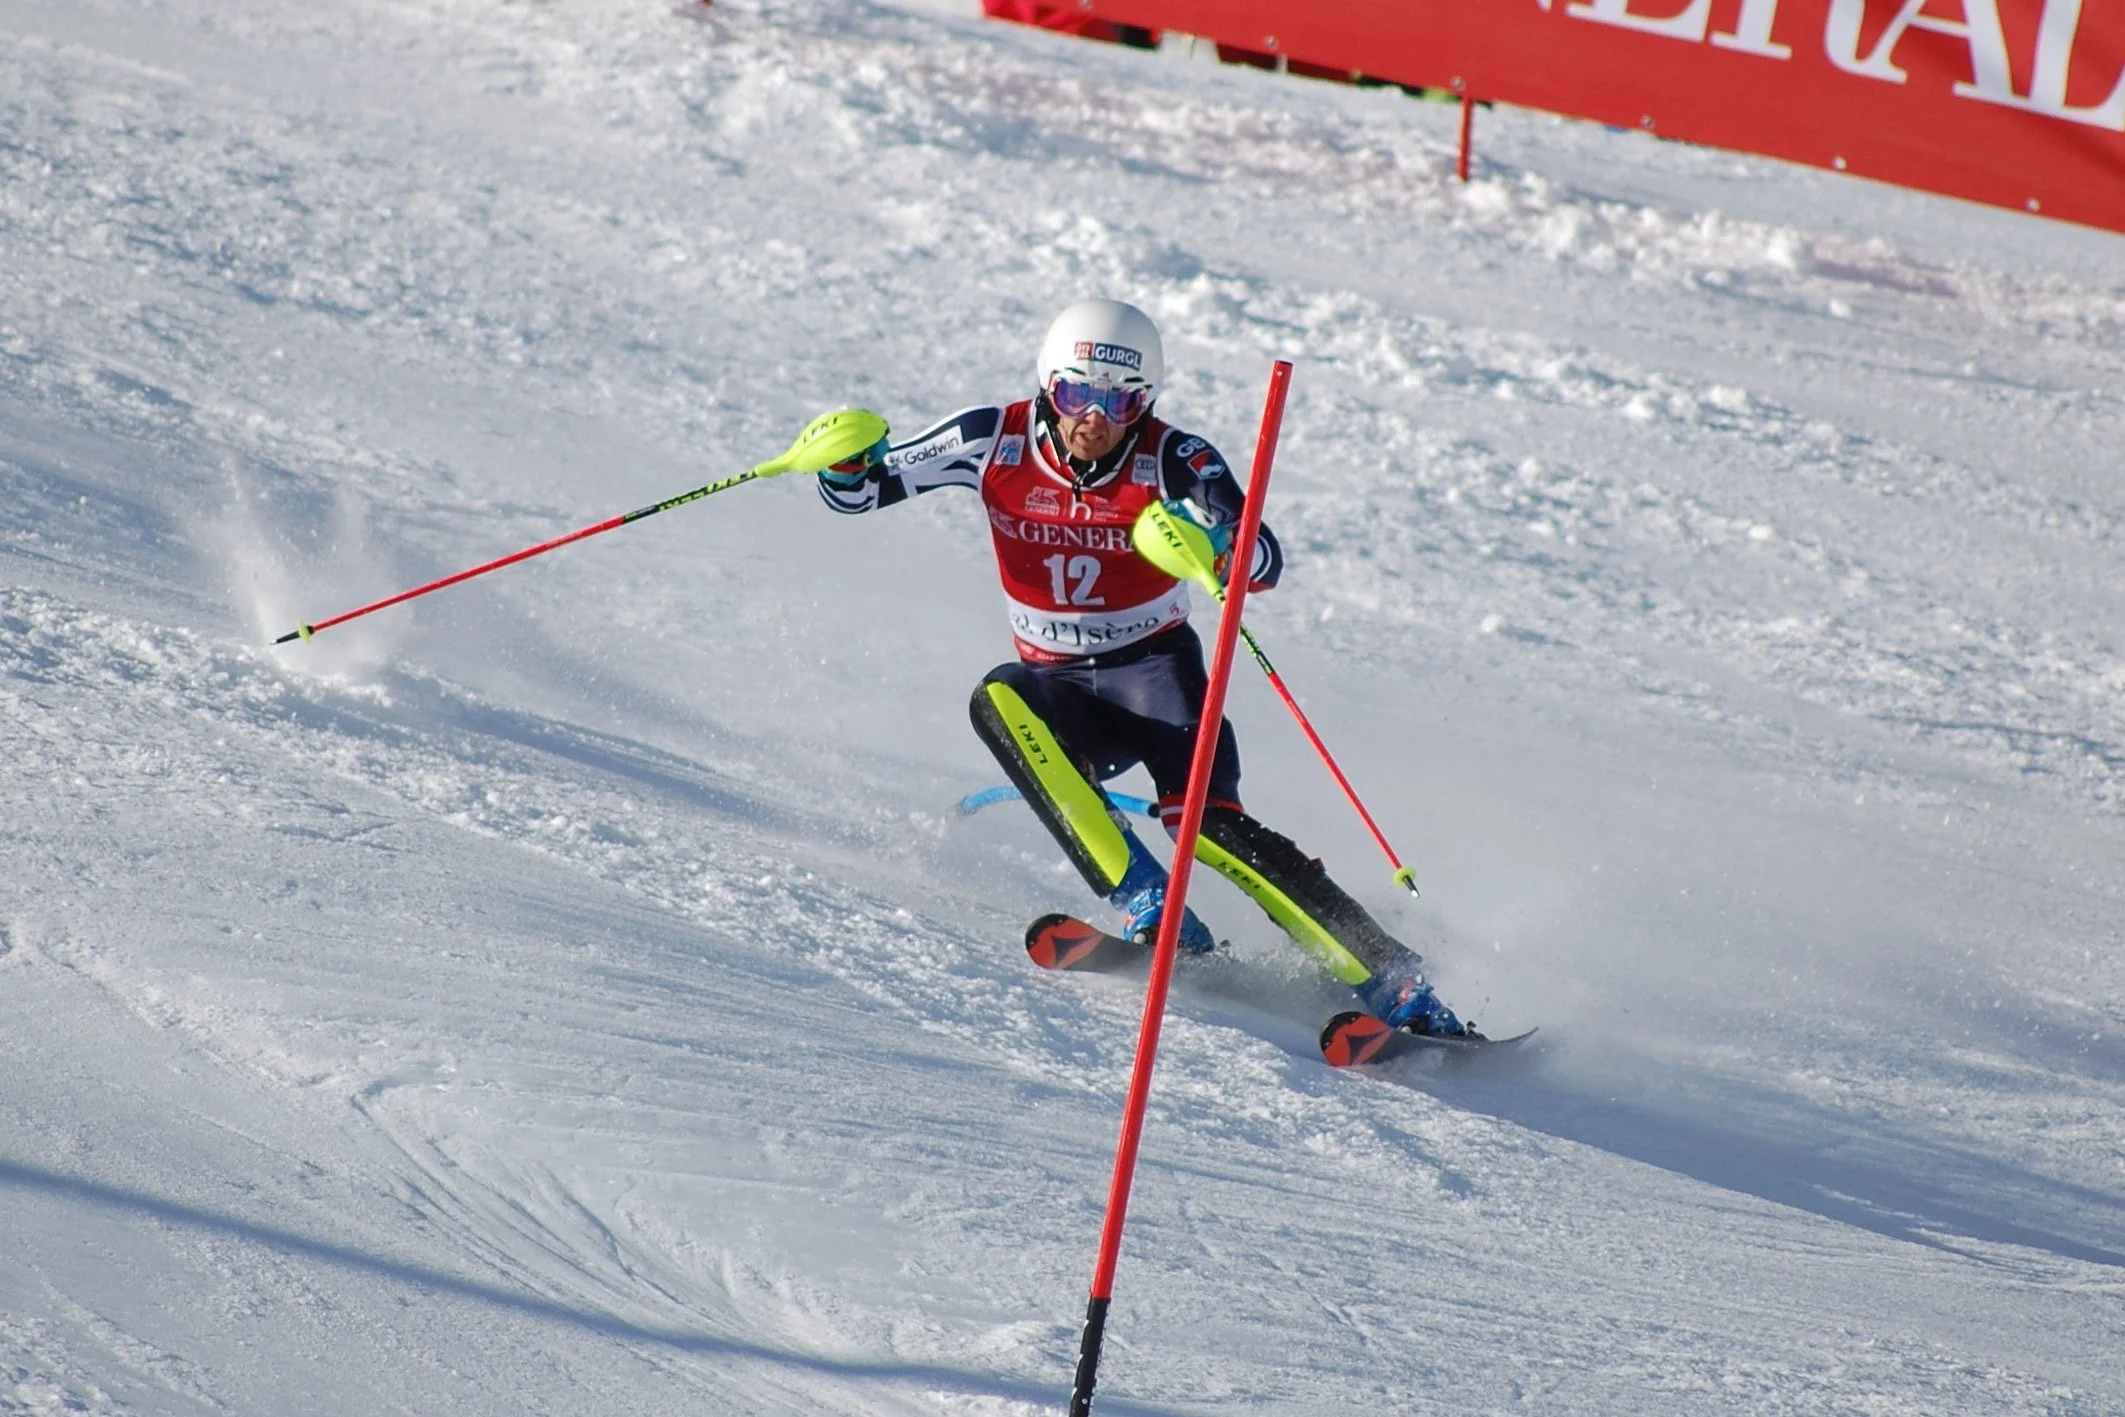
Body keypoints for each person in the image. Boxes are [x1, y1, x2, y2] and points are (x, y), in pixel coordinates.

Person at [816, 298, 1471, 1037]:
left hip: (1155, 679)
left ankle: (1395, 981)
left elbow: (1263, 557)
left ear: (1145, 402)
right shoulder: (988, 437)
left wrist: (1219, 548)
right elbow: (863, 490)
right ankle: (1152, 908)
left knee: (1209, 830)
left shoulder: (1173, 458)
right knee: (996, 698)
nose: (1093, 419)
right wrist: (842, 459)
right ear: (1046, 386)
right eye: (1074, 395)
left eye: (1118, 402)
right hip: (1058, 690)